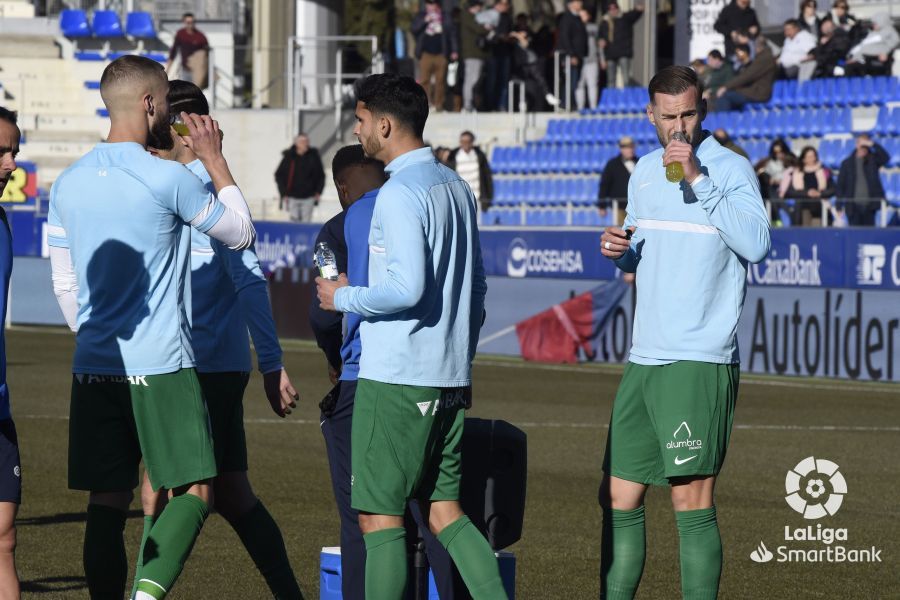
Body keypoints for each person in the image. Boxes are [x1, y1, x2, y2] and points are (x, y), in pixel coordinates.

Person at [47, 55, 256, 600]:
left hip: (94, 364)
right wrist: (215, 160)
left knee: (106, 500)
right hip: (160, 364)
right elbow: (240, 233)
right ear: (148, 103)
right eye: (163, 99)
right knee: (196, 492)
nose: (167, 110)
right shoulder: (167, 177)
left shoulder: (66, 183)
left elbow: (64, 285)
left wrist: (94, 338)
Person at [315, 73, 503, 600]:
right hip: (447, 378)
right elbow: (478, 288)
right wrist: (459, 356)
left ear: (384, 124)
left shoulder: (398, 193)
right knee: (445, 513)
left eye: (360, 121)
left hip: (397, 379)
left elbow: (406, 288)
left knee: (378, 519)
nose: (357, 132)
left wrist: (343, 297)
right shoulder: (456, 186)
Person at [598, 65, 770, 600]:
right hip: (644, 358)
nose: (679, 127)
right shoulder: (643, 173)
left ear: (703, 110)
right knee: (619, 497)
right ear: (650, 115)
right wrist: (620, 251)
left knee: (689, 502)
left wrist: (698, 178)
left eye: (689, 114)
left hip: (698, 358)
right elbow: (640, 253)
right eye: (669, 116)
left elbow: (757, 245)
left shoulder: (731, 168)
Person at [138, 80, 303, 599]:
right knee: (234, 493)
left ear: (182, 127)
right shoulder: (178, 184)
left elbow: (250, 280)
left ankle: (142, 593)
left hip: (195, 368)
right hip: (214, 364)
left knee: (165, 490)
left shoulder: (202, 195)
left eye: (160, 119)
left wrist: (271, 363)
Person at [310, 144, 460, 600]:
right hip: (438, 371)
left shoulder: (338, 229)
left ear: (341, 187)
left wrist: (334, 359)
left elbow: (324, 311)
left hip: (371, 378)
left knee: (367, 515)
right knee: (438, 514)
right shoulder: (437, 195)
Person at [0, 107, 21, 599]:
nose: (11, 163)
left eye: (14, 151)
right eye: (1, 151)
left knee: (3, 538)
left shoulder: (2, 222)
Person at [413, 0, 459, 112]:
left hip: (441, 53)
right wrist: (425, 21)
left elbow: (452, 34)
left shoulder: (445, 17)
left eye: (433, 4)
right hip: (425, 53)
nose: (431, 6)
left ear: (438, 5)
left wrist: (454, 50)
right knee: (424, 80)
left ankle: (439, 105)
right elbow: (414, 29)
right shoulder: (421, 16)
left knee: (440, 81)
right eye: (429, 4)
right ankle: (424, 105)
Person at [508, 13, 560, 110]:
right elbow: (510, 39)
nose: (523, 23)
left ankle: (548, 95)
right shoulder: (513, 30)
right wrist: (517, 35)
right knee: (520, 83)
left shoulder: (529, 32)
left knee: (540, 79)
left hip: (531, 62)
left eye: (524, 21)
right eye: (521, 21)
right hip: (520, 63)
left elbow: (525, 44)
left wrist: (518, 36)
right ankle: (522, 102)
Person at [836, 133, 891, 226]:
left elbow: (885, 158)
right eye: (861, 145)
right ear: (857, 145)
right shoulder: (847, 163)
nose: (863, 149)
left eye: (866, 146)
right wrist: (839, 205)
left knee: (869, 233)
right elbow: (840, 185)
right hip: (853, 207)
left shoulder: (872, 160)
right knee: (854, 232)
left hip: (870, 206)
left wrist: (872, 144)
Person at [274, 134, 325, 223]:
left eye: (307, 141)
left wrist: (318, 191)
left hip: (309, 197)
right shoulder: (289, 157)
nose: (305, 144)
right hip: (292, 197)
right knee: (294, 224)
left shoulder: (314, 156)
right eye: (302, 141)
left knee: (306, 224)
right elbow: (279, 175)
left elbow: (321, 175)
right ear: (296, 143)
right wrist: (283, 193)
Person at [714, 39, 776, 112]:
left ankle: (723, 119)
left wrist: (726, 87)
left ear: (757, 47)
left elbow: (747, 76)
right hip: (754, 91)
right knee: (726, 95)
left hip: (758, 93)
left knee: (724, 96)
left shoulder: (764, 59)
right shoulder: (762, 57)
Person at [781, 146, 835, 226]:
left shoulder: (824, 171)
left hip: (819, 207)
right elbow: (789, 192)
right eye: (808, 157)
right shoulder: (796, 173)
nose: (811, 159)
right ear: (803, 159)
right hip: (802, 208)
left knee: (817, 229)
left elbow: (833, 189)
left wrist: (820, 194)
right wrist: (806, 193)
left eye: (813, 156)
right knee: (805, 229)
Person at [598, 2, 645, 89]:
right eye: (610, 9)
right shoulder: (604, 22)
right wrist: (601, 44)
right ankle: (612, 97)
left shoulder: (625, 18)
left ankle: (626, 96)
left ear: (618, 9)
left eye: (615, 8)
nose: (613, 10)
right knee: (611, 80)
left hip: (623, 53)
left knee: (626, 78)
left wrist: (639, 9)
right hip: (610, 54)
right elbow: (600, 37)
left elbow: (635, 13)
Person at [448, 130, 494, 212]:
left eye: (468, 141)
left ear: (472, 142)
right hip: (458, 197)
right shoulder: (453, 156)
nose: (465, 144)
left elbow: (487, 177)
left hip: (476, 197)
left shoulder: (479, 156)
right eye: (463, 141)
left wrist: (488, 196)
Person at [460, 0, 490, 112]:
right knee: (471, 79)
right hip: (472, 54)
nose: (480, 9)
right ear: (473, 7)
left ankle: (471, 103)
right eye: (479, 6)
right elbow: (479, 29)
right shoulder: (467, 16)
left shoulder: (473, 17)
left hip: (477, 54)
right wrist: (487, 28)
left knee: (475, 79)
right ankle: (467, 104)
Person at [557, 0, 588, 109]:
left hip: (579, 55)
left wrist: (584, 22)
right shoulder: (567, 18)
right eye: (578, 2)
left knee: (575, 81)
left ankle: (570, 103)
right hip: (571, 56)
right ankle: (565, 104)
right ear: (571, 4)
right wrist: (571, 55)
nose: (581, 4)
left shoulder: (578, 18)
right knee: (571, 81)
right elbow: (565, 37)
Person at [166, 13, 209, 88]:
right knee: (185, 91)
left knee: (196, 92)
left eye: (193, 22)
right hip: (185, 69)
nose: (190, 24)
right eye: (188, 22)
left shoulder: (201, 37)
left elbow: (206, 55)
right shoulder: (181, 34)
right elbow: (173, 51)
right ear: (184, 22)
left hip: (197, 71)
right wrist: (168, 69)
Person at [598, 135, 638, 215]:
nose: (630, 150)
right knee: (620, 223)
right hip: (619, 207)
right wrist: (602, 206)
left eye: (631, 147)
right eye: (626, 147)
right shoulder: (612, 164)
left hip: (637, 207)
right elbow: (605, 185)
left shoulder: (640, 162)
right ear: (621, 149)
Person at [576, 8, 600, 110]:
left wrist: (601, 58)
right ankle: (580, 108)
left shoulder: (594, 28)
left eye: (584, 15)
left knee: (592, 84)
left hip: (592, 60)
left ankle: (593, 107)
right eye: (580, 15)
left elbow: (599, 44)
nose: (583, 17)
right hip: (580, 61)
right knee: (579, 85)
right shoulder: (575, 27)